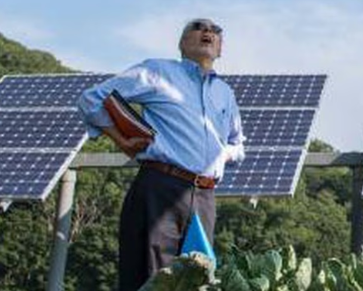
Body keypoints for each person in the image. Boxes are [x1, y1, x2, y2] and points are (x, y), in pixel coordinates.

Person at [77, 18, 245, 291]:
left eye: (216, 31)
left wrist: (221, 155)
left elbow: (238, 145)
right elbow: (91, 99)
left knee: (199, 282)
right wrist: (119, 139)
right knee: (151, 279)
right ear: (182, 42)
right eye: (199, 27)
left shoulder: (225, 93)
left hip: (205, 197)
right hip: (160, 187)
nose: (208, 32)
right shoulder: (158, 72)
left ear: (221, 47)